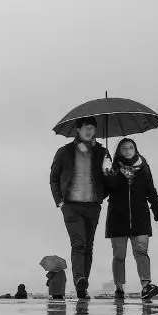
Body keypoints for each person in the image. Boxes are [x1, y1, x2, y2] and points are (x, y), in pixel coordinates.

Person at [50, 117, 112, 299]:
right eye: (86, 127)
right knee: (79, 244)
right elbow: (54, 177)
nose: (89, 131)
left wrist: (109, 174)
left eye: (92, 128)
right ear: (78, 129)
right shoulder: (64, 152)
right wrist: (59, 201)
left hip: (92, 205)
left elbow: (108, 181)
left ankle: (82, 285)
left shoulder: (102, 152)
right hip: (71, 206)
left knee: (89, 247)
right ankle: (79, 279)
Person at [104, 138, 158, 301]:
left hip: (140, 218)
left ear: (135, 149)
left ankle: (146, 286)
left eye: (130, 147)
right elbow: (104, 191)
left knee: (142, 253)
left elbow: (151, 192)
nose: (127, 150)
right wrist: (105, 172)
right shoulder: (112, 168)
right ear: (119, 151)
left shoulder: (144, 168)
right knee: (119, 256)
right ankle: (119, 287)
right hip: (117, 218)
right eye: (124, 148)